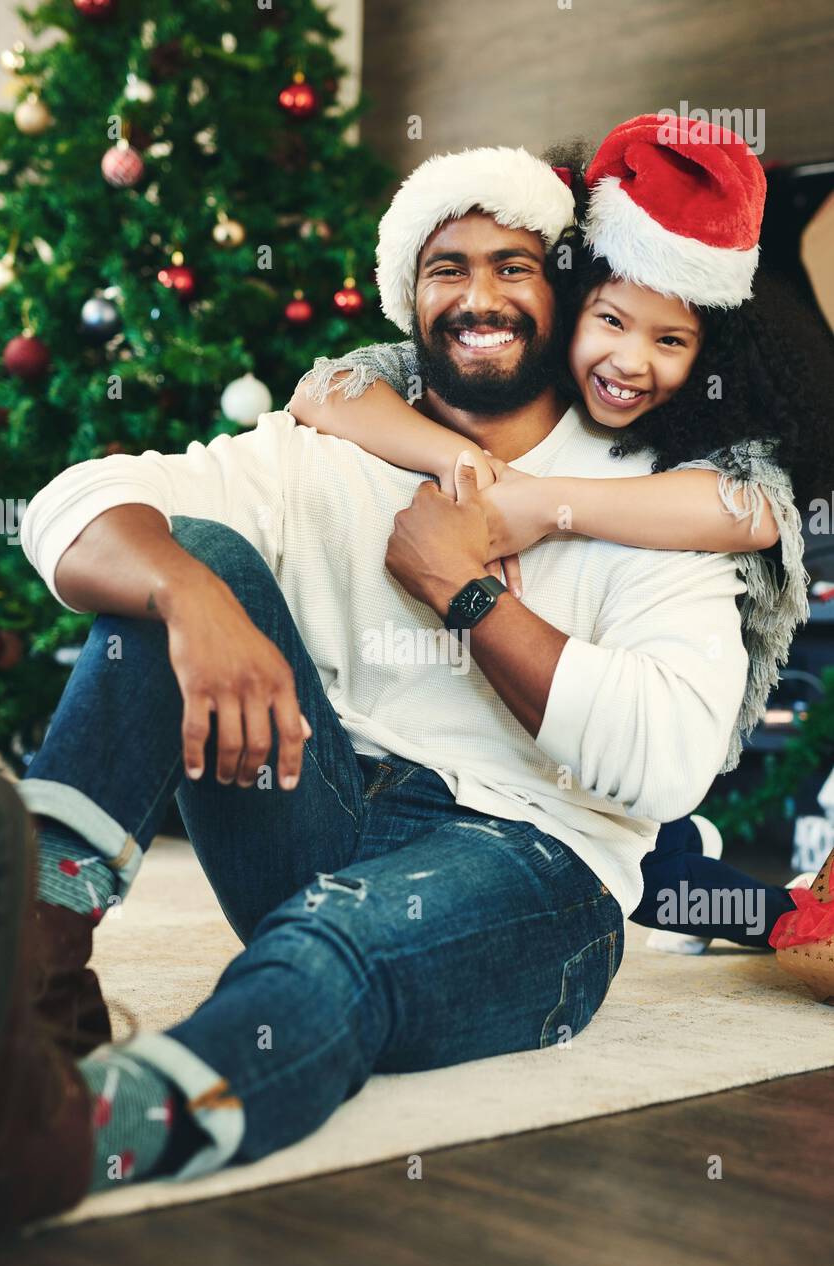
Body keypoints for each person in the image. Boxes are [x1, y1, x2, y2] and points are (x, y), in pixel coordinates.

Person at [0, 140, 760, 1231]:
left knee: (330, 942)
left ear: (565, 290)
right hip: (320, 800)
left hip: (535, 865)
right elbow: (77, 503)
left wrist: (466, 593)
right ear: (412, 298)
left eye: (514, 265)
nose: (480, 294)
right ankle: (33, 985)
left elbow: (671, 763)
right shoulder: (330, 447)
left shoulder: (645, 497)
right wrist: (190, 595)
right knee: (185, 555)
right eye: (448, 267)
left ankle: (76, 1136)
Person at [289, 113, 834, 958]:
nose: (628, 361)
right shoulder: (496, 370)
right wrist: (465, 463)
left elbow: (753, 511)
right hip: (504, 741)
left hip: (607, 726)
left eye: (670, 341)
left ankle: (759, 911)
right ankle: (708, 880)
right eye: (608, 322)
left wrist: (543, 504)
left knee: (627, 849)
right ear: (572, 302)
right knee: (635, 851)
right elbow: (324, 392)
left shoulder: (697, 445)